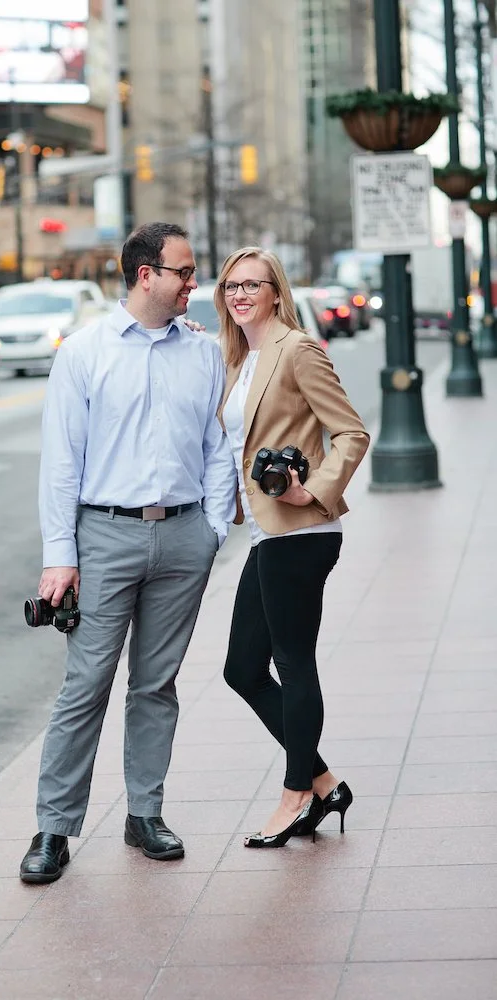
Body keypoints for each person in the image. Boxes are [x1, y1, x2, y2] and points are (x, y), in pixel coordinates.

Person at [20, 222, 237, 884]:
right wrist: (62, 556)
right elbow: (61, 461)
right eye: (184, 271)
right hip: (104, 535)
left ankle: (144, 814)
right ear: (146, 274)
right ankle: (53, 828)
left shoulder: (200, 353)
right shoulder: (84, 352)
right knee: (85, 685)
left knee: (155, 684)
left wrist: (212, 527)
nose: (194, 283)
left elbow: (216, 446)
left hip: (181, 536)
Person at [216, 247, 369, 848]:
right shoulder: (241, 357)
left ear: (276, 291)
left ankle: (296, 794)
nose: (241, 294)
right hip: (266, 534)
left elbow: (351, 431)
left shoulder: (297, 349)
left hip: (300, 532)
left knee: (292, 663)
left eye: (252, 284)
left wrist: (315, 493)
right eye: (231, 286)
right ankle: (325, 783)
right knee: (241, 669)